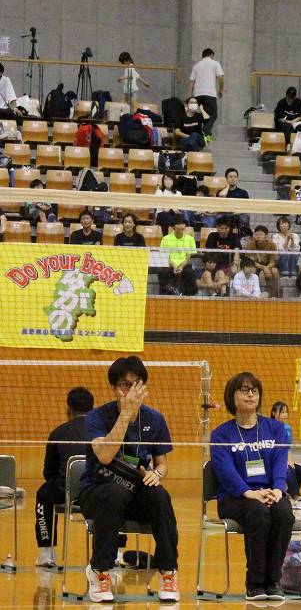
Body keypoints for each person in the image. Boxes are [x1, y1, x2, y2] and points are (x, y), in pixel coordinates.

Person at [80, 356, 179, 603]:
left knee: (160, 496)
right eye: (125, 385)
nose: (131, 390)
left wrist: (157, 475)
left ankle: (168, 572)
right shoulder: (96, 417)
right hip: (99, 491)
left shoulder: (154, 419)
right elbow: (104, 456)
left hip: (135, 491)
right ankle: (100, 571)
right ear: (114, 388)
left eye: (136, 384)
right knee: (115, 494)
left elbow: (162, 464)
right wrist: (125, 415)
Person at [209, 373, 294, 601]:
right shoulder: (220, 434)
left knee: (283, 512)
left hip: (270, 493)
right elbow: (225, 471)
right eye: (244, 390)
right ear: (231, 396)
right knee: (258, 512)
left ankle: (273, 580)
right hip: (235, 497)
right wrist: (249, 492)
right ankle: (255, 582)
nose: (250, 394)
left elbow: (281, 462)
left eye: (254, 390)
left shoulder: (276, 429)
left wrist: (278, 489)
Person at [35, 387, 95, 569]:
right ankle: (115, 553)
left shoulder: (58, 433)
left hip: (65, 491)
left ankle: (46, 554)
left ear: (68, 410)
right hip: (96, 491)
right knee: (116, 494)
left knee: (44, 494)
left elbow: (48, 473)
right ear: (93, 409)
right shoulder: (104, 432)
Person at [269, 402, 301, 510]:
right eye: (282, 412)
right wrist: (282, 461)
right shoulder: (269, 427)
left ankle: (289, 496)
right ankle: (296, 498)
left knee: (300, 470)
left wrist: (289, 460)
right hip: (272, 460)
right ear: (273, 413)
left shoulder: (287, 428)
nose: (284, 415)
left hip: (283, 457)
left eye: (286, 412)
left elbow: (288, 447)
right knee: (288, 470)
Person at [198, 215, 238, 297]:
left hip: (228, 267)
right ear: (217, 227)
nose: (224, 231)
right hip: (214, 267)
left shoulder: (234, 237)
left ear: (229, 228)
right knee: (207, 274)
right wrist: (210, 264)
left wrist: (235, 264)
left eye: (226, 228)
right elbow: (208, 254)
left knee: (221, 274)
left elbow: (237, 252)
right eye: (221, 228)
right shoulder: (212, 236)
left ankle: (222, 295)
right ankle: (215, 295)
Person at [188, 48, 224, 137]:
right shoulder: (215, 63)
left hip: (197, 95)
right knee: (213, 115)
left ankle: (205, 136)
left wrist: (190, 96)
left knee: (203, 116)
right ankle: (205, 131)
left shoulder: (196, 66)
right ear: (211, 55)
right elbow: (221, 78)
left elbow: (191, 82)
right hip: (209, 94)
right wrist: (221, 89)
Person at [160, 219, 197, 296]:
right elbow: (165, 256)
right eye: (178, 227)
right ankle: (165, 294)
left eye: (182, 228)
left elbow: (188, 257)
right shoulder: (166, 239)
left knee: (190, 272)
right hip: (169, 264)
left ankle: (189, 295)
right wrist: (174, 266)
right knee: (163, 272)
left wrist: (181, 266)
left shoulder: (190, 239)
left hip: (184, 264)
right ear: (174, 227)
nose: (181, 230)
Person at [245, 225, 280, 297]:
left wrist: (266, 268)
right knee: (254, 271)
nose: (258, 236)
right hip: (254, 267)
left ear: (266, 236)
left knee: (275, 271)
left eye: (261, 234)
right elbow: (251, 262)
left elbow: (273, 261)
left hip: (269, 267)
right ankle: (256, 295)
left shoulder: (272, 245)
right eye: (256, 234)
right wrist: (263, 268)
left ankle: (275, 295)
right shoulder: (250, 245)